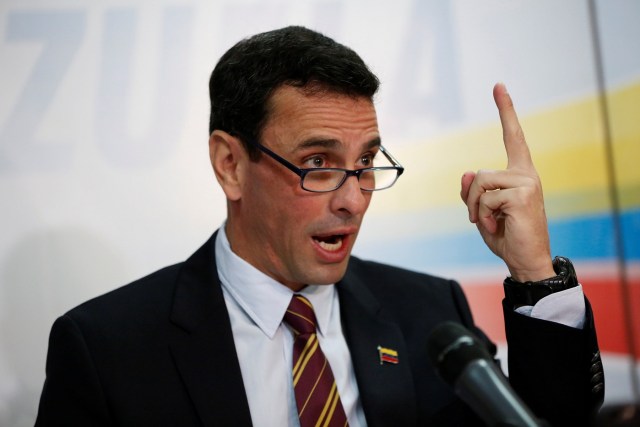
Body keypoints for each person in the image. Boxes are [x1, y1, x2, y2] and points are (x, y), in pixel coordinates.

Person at [35, 26, 604, 426]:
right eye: (318, 165)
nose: (354, 200)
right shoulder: (108, 348)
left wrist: (533, 271)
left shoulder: (430, 315)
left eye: (366, 165)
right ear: (230, 164)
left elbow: (550, 420)